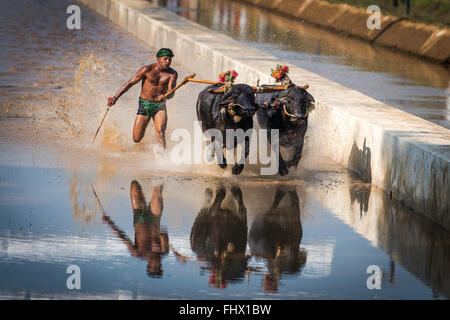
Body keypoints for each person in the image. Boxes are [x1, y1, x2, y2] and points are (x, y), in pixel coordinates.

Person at [107, 48, 178, 153]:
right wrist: (115, 98)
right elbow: (130, 83)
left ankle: (163, 159)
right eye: (165, 59)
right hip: (144, 104)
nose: (168, 62)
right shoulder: (146, 70)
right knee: (136, 139)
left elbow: (171, 94)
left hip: (160, 106)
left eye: (170, 60)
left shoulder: (172, 74)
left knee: (160, 131)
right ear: (158, 59)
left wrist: (165, 95)